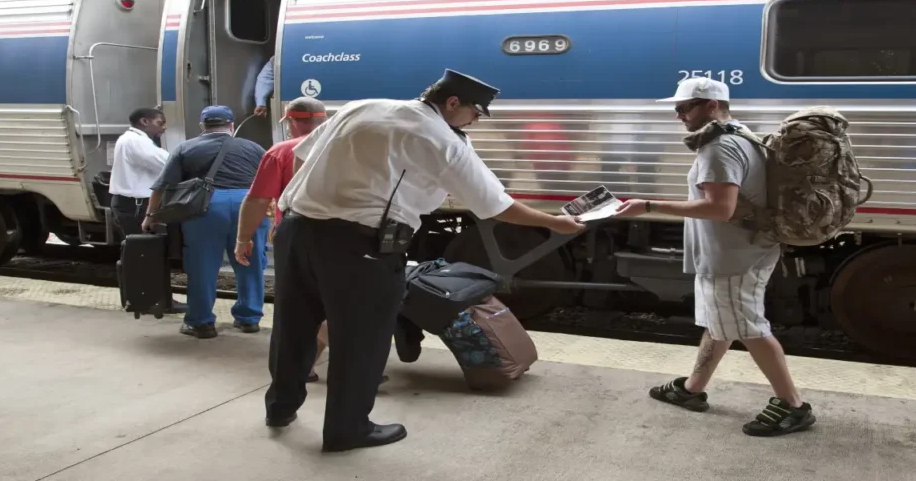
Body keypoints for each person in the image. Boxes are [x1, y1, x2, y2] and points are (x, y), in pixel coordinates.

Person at [264, 69, 586, 452]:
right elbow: (498, 207)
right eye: (476, 112)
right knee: (361, 339)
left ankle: (280, 408)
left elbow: (303, 156)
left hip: (297, 230)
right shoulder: (441, 139)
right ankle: (347, 428)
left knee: (293, 323)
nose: (477, 121)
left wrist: (294, 211)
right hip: (358, 248)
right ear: (452, 103)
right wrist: (557, 224)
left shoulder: (362, 106)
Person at [614, 77, 816, 437]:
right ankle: (692, 388)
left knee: (750, 328)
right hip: (740, 251)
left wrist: (648, 205)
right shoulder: (741, 134)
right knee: (723, 321)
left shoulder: (718, 147)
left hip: (734, 257)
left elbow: (720, 208)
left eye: (684, 107)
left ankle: (793, 405)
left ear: (710, 106)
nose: (678, 115)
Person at [234, 97, 339, 382]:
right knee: (329, 302)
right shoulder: (342, 147)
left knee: (304, 305)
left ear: (292, 121)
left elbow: (257, 200)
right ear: (324, 119)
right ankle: (308, 366)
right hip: (345, 236)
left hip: (298, 237)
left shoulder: (281, 151)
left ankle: (353, 361)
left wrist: (243, 239)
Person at [143, 106, 270, 339]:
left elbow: (161, 187)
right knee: (250, 262)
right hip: (250, 204)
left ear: (202, 126)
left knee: (202, 266)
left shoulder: (186, 147)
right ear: (231, 126)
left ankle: (201, 323)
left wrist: (151, 216)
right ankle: (249, 319)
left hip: (206, 207)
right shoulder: (254, 148)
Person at [108, 107, 186, 314]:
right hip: (136, 206)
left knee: (142, 254)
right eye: (160, 123)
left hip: (131, 204)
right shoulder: (136, 141)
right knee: (148, 255)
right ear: (144, 121)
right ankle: (154, 301)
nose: (164, 127)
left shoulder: (130, 139)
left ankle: (148, 299)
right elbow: (168, 163)